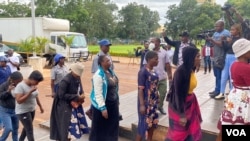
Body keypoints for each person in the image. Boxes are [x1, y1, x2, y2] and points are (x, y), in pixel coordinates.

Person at [216, 38, 250, 141]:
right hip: (244, 98)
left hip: (235, 96)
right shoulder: (246, 68)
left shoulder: (234, 64)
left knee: (231, 123)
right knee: (243, 120)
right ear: (244, 53)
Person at [166, 47, 202, 141]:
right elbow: (178, 95)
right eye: (198, 56)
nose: (200, 58)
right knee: (178, 134)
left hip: (190, 104)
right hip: (179, 107)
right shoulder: (181, 72)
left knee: (191, 131)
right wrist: (182, 115)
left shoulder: (191, 69)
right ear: (191, 57)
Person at [50, 63, 89, 141]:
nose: (78, 76)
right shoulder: (66, 80)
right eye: (77, 75)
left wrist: (82, 94)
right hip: (65, 107)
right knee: (67, 129)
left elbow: (80, 88)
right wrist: (76, 97)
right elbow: (61, 95)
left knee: (72, 131)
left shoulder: (77, 78)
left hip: (74, 106)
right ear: (73, 71)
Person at [89, 55, 119, 141]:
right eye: (107, 61)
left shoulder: (111, 72)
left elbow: (115, 87)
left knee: (112, 127)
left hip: (113, 103)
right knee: (101, 130)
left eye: (110, 60)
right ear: (101, 63)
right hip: (103, 105)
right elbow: (98, 93)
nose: (110, 62)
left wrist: (117, 99)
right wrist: (103, 108)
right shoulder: (98, 75)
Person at [144, 38, 172, 115]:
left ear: (159, 43)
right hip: (152, 78)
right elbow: (144, 65)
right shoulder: (148, 53)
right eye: (151, 42)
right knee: (152, 95)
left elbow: (167, 64)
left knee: (163, 93)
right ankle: (153, 108)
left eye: (154, 41)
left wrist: (170, 77)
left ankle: (160, 106)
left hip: (162, 77)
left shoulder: (164, 53)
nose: (152, 43)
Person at [14, 70, 44, 141]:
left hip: (31, 110)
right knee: (29, 130)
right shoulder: (20, 86)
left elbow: (36, 96)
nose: (37, 84)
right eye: (37, 82)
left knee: (26, 128)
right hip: (23, 111)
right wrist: (30, 92)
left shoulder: (33, 85)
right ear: (32, 78)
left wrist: (40, 106)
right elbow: (19, 101)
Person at [136, 51, 159, 141]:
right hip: (145, 102)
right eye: (156, 59)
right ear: (149, 59)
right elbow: (140, 89)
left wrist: (157, 97)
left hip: (153, 102)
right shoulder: (142, 72)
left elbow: (155, 85)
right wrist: (142, 105)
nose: (158, 61)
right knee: (143, 126)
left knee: (151, 124)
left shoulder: (154, 70)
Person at [215, 23, 242, 99]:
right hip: (227, 57)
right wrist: (223, 41)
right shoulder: (230, 38)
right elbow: (226, 48)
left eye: (233, 30)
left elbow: (237, 48)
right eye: (231, 30)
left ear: (238, 31)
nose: (231, 31)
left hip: (234, 57)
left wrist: (231, 42)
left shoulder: (240, 39)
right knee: (224, 75)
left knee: (232, 76)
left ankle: (232, 92)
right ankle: (222, 92)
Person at [207, 20, 231, 98]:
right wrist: (209, 41)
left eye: (217, 26)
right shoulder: (215, 33)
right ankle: (217, 89)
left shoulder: (226, 33)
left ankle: (219, 91)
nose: (216, 27)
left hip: (221, 57)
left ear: (222, 26)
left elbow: (221, 44)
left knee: (220, 75)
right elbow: (213, 43)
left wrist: (212, 40)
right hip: (215, 56)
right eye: (215, 26)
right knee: (216, 75)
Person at [0, 71, 23, 141]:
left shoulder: (19, 86)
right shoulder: (4, 85)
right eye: (18, 81)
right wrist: (8, 91)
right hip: (5, 111)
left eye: (20, 81)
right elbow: (0, 97)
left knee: (15, 130)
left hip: (15, 110)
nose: (19, 83)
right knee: (8, 128)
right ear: (13, 80)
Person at [0, 56, 11, 130]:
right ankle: (1, 123)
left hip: (7, 88)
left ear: (5, 62)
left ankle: (5, 121)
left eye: (2, 62)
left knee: (6, 103)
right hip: (0, 88)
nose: (0, 63)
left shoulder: (8, 68)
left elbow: (10, 76)